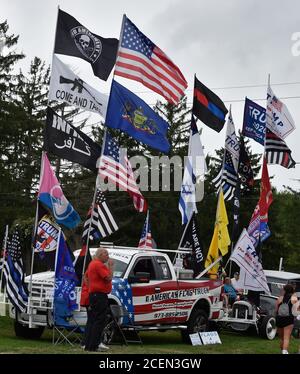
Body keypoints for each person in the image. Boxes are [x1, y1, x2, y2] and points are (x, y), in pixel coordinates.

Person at [84, 247, 114, 352]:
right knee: (99, 321)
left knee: (94, 320)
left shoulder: (92, 264)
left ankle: (89, 345)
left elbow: (86, 277)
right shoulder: (98, 264)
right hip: (99, 296)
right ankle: (93, 345)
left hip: (94, 295)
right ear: (100, 254)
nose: (108, 256)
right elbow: (108, 278)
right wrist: (111, 266)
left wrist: (90, 288)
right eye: (106, 254)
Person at [275, 284, 298, 354]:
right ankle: (284, 352)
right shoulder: (294, 298)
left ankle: (283, 351)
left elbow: (276, 310)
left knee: (282, 338)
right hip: (289, 319)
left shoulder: (280, 298)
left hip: (279, 319)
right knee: (286, 338)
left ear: (285, 290)